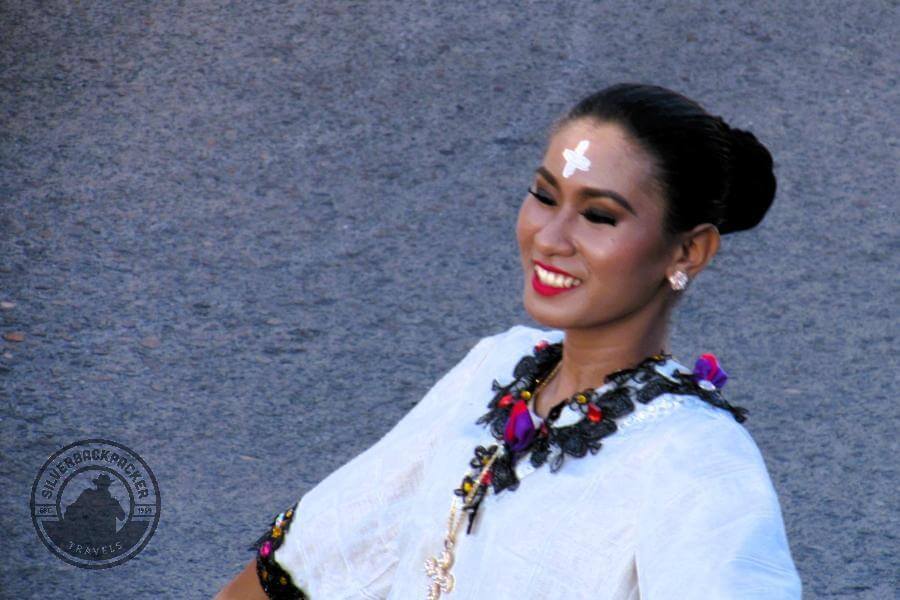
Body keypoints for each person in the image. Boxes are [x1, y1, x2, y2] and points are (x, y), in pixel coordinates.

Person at [215, 82, 802, 599]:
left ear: (686, 251)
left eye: (598, 216)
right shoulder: (499, 366)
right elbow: (333, 544)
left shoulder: (696, 463)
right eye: (545, 196)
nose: (549, 236)